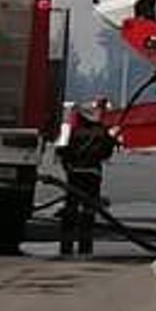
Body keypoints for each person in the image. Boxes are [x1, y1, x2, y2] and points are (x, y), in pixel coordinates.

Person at [58, 99, 115, 258]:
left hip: (74, 173)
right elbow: (106, 152)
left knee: (70, 208)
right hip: (92, 174)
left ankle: (66, 246)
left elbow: (61, 150)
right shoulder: (101, 131)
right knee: (88, 210)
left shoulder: (70, 131)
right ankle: (85, 247)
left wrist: (68, 164)